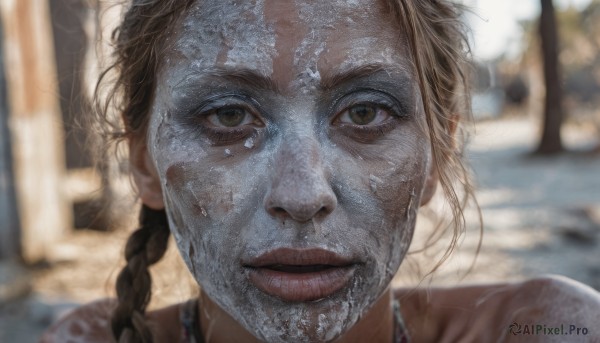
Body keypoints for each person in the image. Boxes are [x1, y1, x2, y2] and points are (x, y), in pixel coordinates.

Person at [42, 0, 599, 342]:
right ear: (144, 161)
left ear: (439, 150)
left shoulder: (550, 329)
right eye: (229, 116)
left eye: (364, 112)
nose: (303, 195)